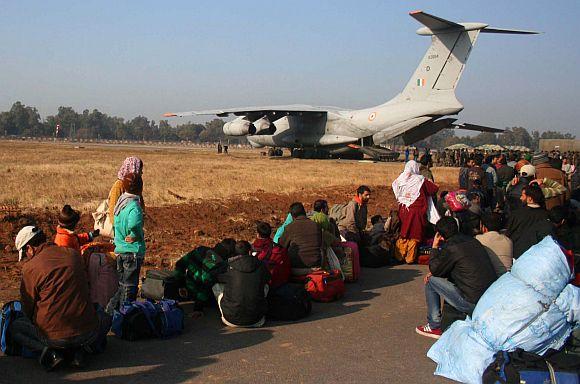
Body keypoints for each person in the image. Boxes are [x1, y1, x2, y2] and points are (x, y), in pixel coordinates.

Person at [11, 226, 110, 371]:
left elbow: (28, 307)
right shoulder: (73, 254)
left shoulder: (30, 267)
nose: (27, 257)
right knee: (104, 316)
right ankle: (80, 351)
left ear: (30, 248)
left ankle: (51, 353)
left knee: (16, 327)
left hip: (52, 338)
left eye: (26, 253)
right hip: (85, 334)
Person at [415, 217, 496, 339]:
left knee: (431, 281)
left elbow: (435, 269)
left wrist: (435, 247)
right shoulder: (473, 241)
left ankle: (434, 325)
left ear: (440, 235)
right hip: (489, 299)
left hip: (472, 302)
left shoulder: (451, 248)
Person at [106, 173, 146, 314]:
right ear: (141, 188)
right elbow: (134, 222)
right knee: (130, 287)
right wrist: (135, 234)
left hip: (121, 249)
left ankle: (110, 313)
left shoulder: (120, 203)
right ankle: (125, 315)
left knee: (122, 286)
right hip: (132, 252)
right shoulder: (134, 206)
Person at [213, 241, 270, 328]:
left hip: (230, 320)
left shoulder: (229, 266)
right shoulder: (260, 265)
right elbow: (267, 278)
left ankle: (226, 311)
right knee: (265, 286)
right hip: (257, 320)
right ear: (250, 252)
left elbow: (218, 278)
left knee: (217, 286)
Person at [392, 160, 439, 264]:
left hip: (403, 209)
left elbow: (395, 190)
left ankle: (400, 255)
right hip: (416, 210)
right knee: (415, 233)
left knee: (404, 232)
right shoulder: (420, 179)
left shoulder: (400, 179)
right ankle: (410, 257)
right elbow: (433, 190)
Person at [506, 184, 553, 259]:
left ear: (530, 199)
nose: (520, 198)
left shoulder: (517, 214)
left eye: (523, 196)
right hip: (540, 255)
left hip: (518, 254)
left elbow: (509, 234)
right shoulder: (546, 215)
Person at [279, 202, 323, 272]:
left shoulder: (290, 227)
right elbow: (320, 244)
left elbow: (281, 245)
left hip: (296, 266)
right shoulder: (316, 225)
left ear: (292, 216)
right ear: (304, 212)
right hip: (316, 264)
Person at [252, 222, 291, 290]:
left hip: (263, 285)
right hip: (280, 283)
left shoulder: (253, 249)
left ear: (258, 234)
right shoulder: (280, 249)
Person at [108, 156, 144, 228]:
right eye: (140, 170)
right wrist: (119, 229)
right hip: (122, 228)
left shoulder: (135, 186)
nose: (141, 172)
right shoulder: (119, 185)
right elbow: (113, 210)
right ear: (133, 169)